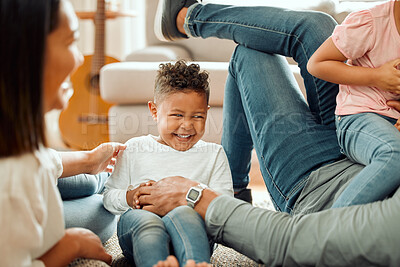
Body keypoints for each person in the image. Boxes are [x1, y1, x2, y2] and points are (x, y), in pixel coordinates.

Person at [136, 0, 400, 266]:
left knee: (252, 55)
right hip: (365, 126)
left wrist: (205, 199)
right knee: (317, 26)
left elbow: (298, 239)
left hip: (317, 181)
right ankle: (187, 19)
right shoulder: (378, 22)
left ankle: (233, 189)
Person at [0, 0, 126, 265]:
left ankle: (104, 177)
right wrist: (71, 245)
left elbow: (40, 160)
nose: (81, 58)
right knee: (104, 211)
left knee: (93, 183)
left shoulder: (16, 144)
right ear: (26, 54)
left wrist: (88, 160)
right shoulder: (13, 182)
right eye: (71, 41)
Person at [103, 60, 233, 267]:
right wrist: (129, 197)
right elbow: (108, 197)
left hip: (194, 231)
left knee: (184, 214)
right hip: (139, 231)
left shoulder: (214, 154)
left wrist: (189, 201)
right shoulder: (134, 148)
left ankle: (195, 262)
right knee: (147, 221)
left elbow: (224, 206)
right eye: (177, 115)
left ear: (207, 112)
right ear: (154, 111)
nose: (187, 125)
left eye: (198, 116)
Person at [307, 0, 400, 208]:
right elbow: (317, 64)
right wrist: (377, 77)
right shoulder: (370, 22)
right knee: (395, 155)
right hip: (360, 116)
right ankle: (328, 231)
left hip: (394, 119)